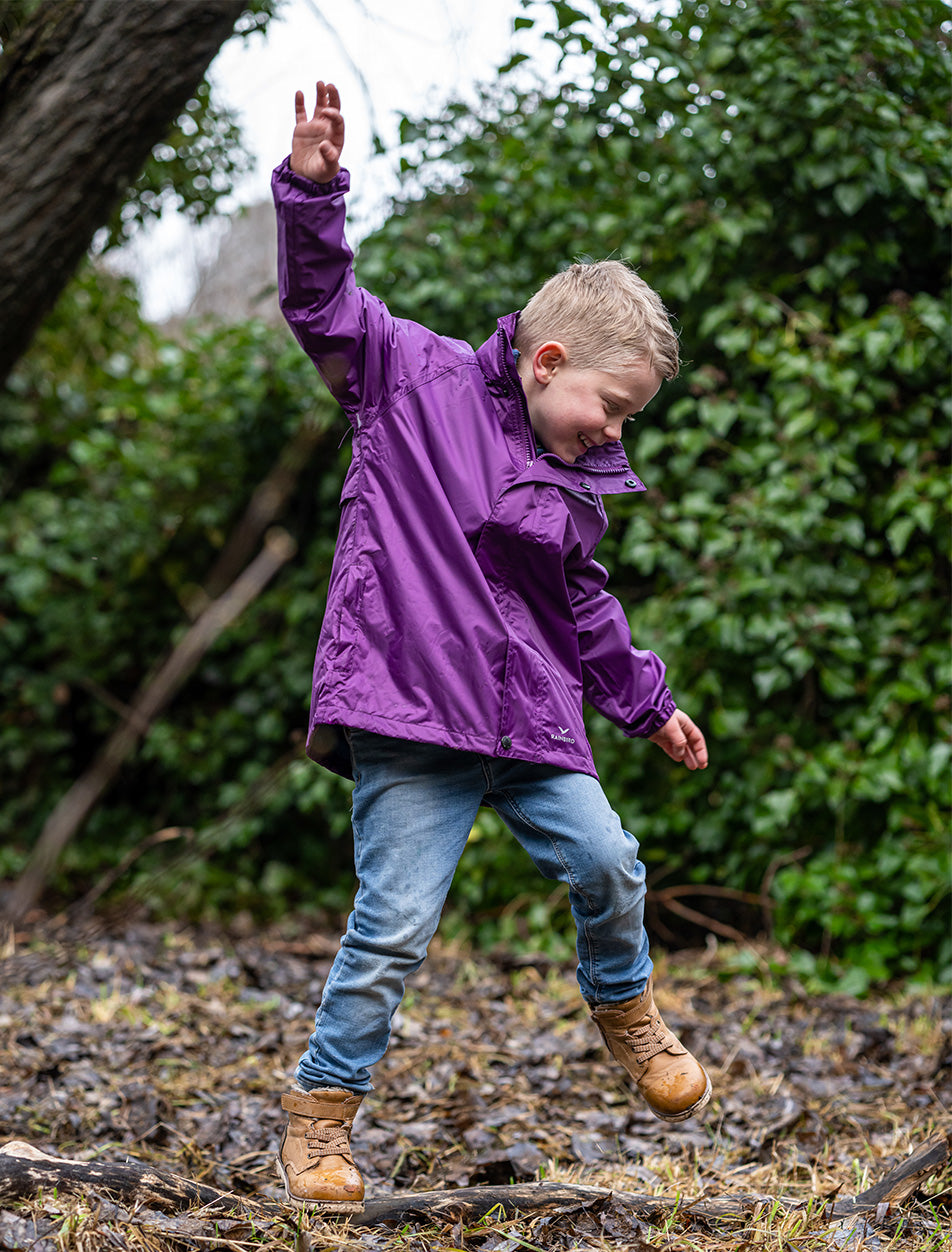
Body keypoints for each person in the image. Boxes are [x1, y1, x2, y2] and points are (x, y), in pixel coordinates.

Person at [271, 81, 711, 1214]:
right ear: (550, 357)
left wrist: (645, 701)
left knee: (609, 862)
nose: (615, 431)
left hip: (531, 721)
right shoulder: (408, 377)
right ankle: (321, 1117)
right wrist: (314, 198)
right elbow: (324, 307)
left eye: (629, 419)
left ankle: (626, 1011)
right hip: (413, 715)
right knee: (395, 926)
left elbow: (583, 603)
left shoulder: (576, 479)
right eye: (611, 406)